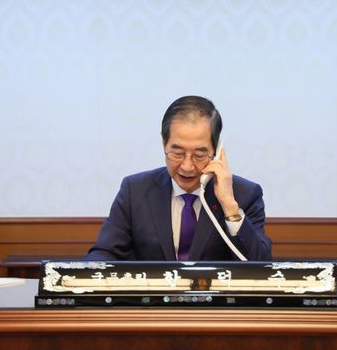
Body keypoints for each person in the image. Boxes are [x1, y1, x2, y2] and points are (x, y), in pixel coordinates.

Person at [85, 95, 272, 261]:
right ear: (164, 144)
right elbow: (103, 254)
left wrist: (230, 207)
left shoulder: (245, 194)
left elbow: (261, 268)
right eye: (177, 153)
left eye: (199, 155)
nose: (187, 166)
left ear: (216, 151)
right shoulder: (134, 191)